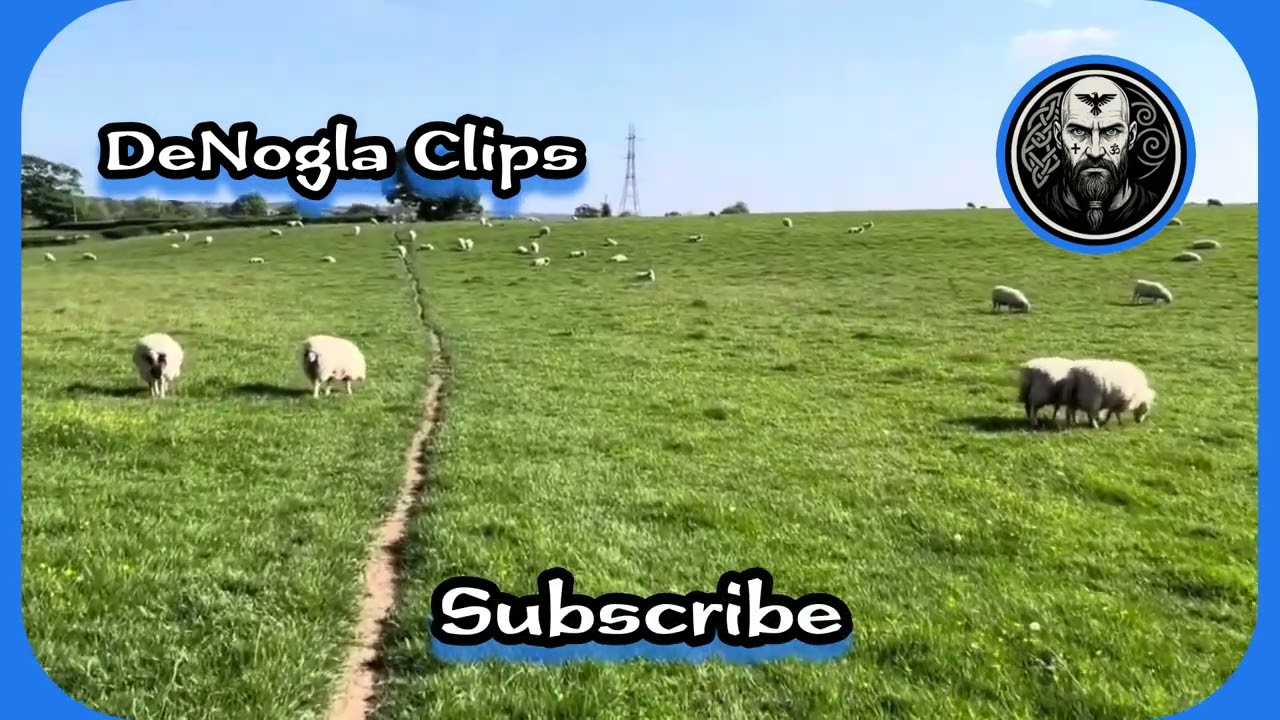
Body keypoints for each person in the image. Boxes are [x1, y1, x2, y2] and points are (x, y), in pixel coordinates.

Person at [1038, 75, 1160, 235]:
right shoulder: (1039, 209)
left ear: (1131, 137)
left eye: (1111, 131)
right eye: (1078, 131)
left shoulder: (1154, 208)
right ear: (1058, 137)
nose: (1095, 152)